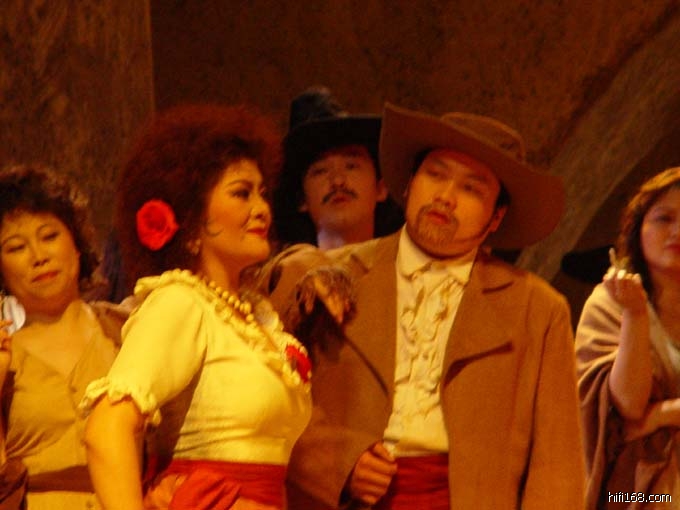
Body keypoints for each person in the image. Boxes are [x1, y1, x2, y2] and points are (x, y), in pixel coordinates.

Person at [259, 103, 585, 509]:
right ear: (409, 184)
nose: (445, 197)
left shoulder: (535, 308)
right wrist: (337, 462)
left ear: (496, 217)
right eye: (436, 174)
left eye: (471, 189)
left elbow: (557, 462)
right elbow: (263, 394)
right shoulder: (331, 276)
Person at [80, 104, 312, 510]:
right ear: (190, 220)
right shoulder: (180, 302)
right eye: (241, 193)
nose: (261, 209)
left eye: (262, 193)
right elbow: (106, 428)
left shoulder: (254, 316)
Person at [0, 164, 128, 510]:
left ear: (76, 244)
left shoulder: (126, 329)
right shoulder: (6, 355)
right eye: (16, 247)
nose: (39, 257)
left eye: (49, 236)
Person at [576, 167, 680, 509]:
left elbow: (641, 417)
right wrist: (634, 315)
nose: (677, 231)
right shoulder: (610, 303)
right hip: (638, 490)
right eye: (664, 218)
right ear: (638, 229)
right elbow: (627, 406)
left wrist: (659, 415)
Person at [273, 86, 403, 250]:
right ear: (302, 200)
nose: (338, 181)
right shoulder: (283, 267)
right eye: (320, 171)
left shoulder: (412, 265)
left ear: (381, 188)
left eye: (351, 166)